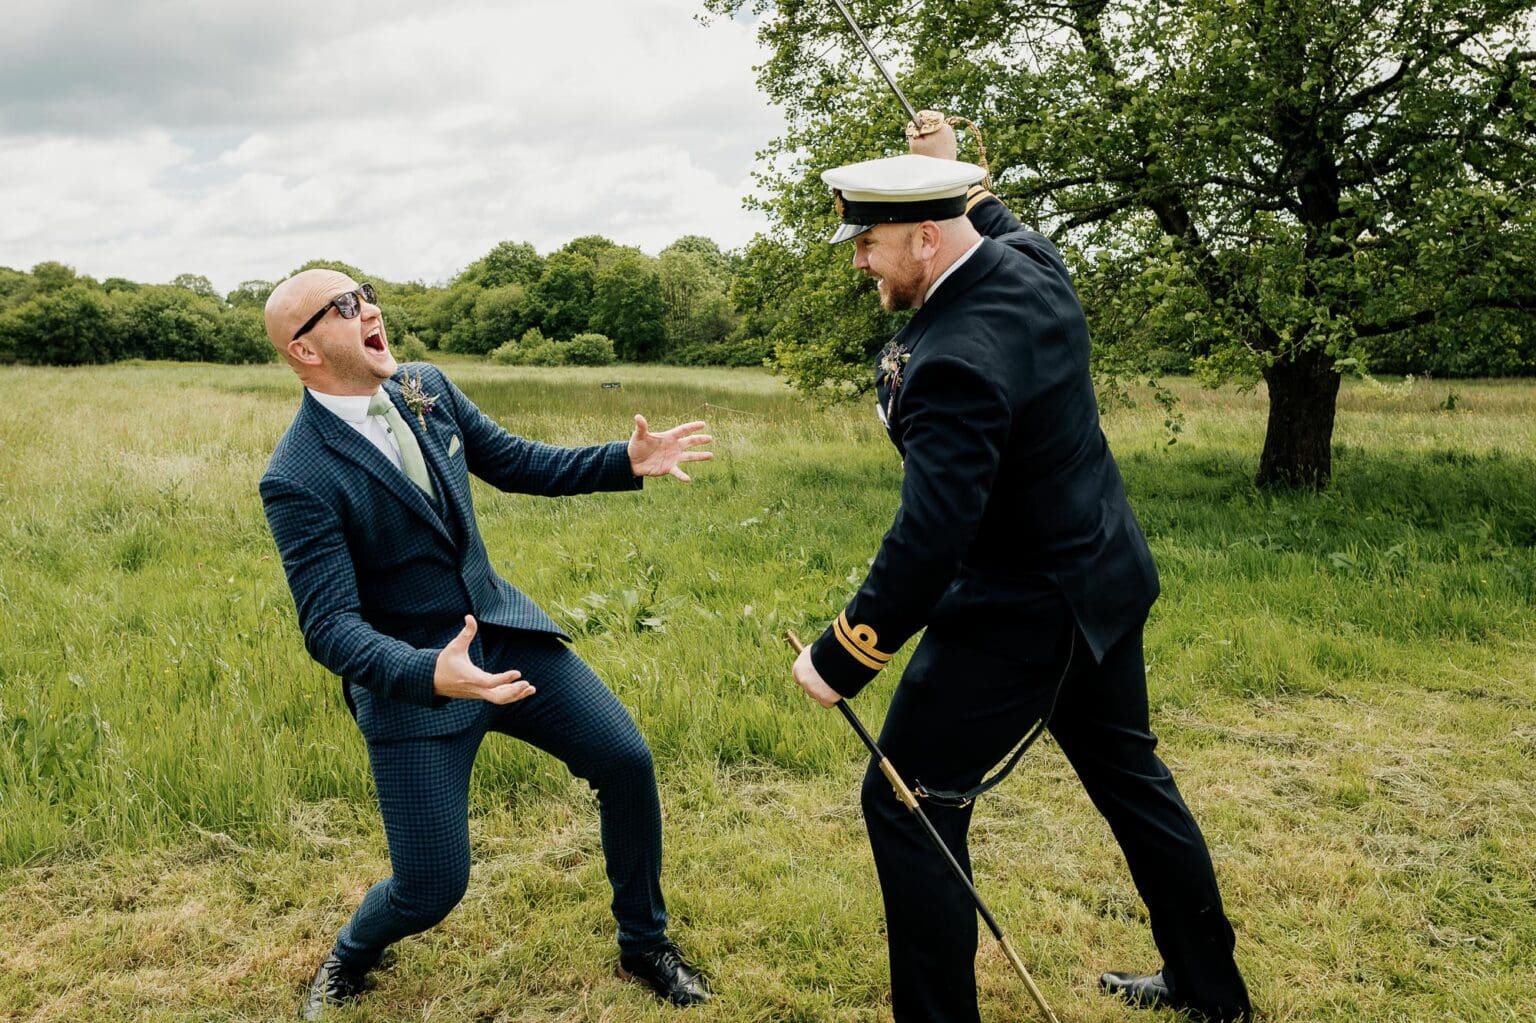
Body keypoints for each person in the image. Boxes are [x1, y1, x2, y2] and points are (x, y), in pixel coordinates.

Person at [790, 120, 1253, 1023]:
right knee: (1131, 777)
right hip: (1103, 581)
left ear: (927, 237)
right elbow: (992, 216)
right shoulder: (1032, 263)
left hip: (1016, 618)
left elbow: (931, 536)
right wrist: (950, 166)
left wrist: (843, 654)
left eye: (871, 242)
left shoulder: (953, 360)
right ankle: (1211, 990)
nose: (859, 263)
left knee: (907, 799)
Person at [259, 268, 714, 1019]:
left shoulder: (421, 386)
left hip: (504, 637)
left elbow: (517, 461)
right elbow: (329, 625)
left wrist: (623, 460)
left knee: (626, 761)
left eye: (365, 291)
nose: (369, 307)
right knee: (430, 888)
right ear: (303, 350)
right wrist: (427, 672)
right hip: (417, 683)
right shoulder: (297, 475)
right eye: (343, 306)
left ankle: (645, 943)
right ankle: (352, 951)